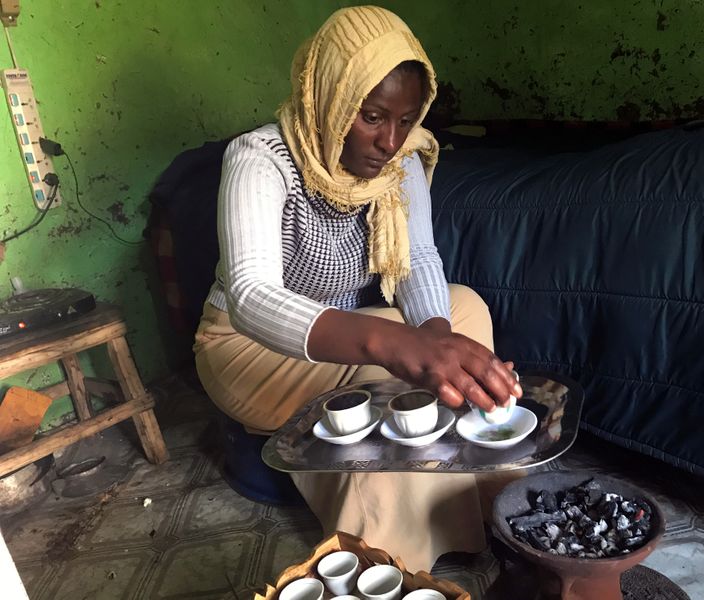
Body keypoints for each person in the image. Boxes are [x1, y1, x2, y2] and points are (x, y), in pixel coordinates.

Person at [193, 5, 522, 571]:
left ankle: (480, 504)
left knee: (463, 308)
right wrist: (399, 348)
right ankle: (395, 558)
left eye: (405, 119)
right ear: (330, 96)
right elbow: (251, 294)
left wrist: (434, 342)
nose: (389, 141)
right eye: (371, 116)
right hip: (249, 350)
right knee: (382, 387)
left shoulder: (404, 161)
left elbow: (418, 257)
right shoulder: (260, 158)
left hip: (349, 329)